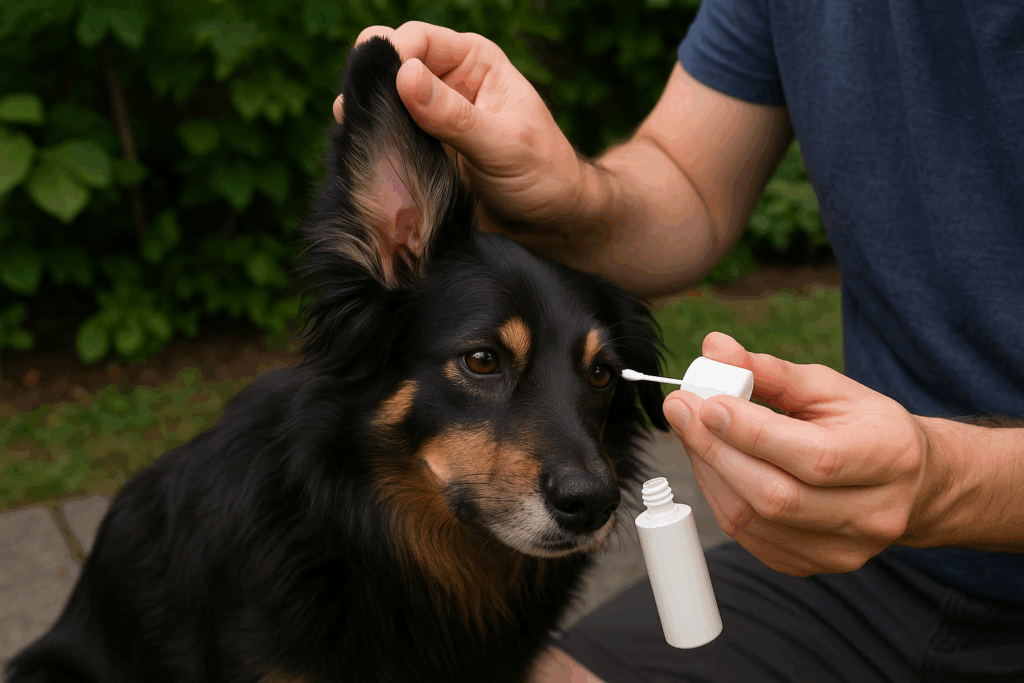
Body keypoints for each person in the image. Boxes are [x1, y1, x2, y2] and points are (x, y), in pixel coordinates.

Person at [338, 2, 1024, 680]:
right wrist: (573, 198)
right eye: (485, 361)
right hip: (873, 573)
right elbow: (689, 183)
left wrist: (948, 482)